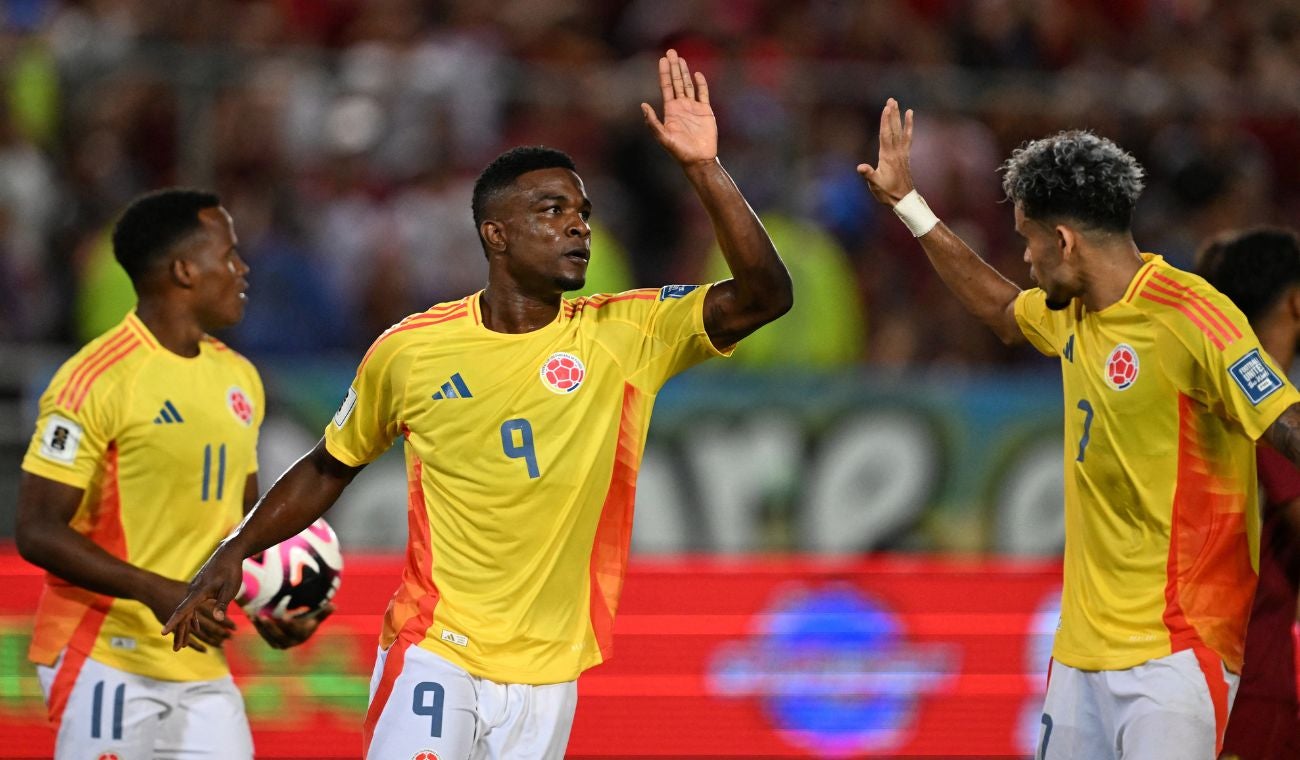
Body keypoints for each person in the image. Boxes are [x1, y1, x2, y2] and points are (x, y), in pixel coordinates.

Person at [164, 49, 792, 760]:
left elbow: (766, 296)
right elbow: (329, 465)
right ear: (496, 234)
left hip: (550, 674)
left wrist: (704, 168)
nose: (578, 226)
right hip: (438, 648)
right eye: (552, 210)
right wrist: (236, 551)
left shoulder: (627, 334)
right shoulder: (412, 350)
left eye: (582, 212)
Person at [856, 99, 1300, 759]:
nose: (1025, 259)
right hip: (1077, 662)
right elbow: (1004, 309)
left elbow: (1284, 422)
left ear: (1062, 241)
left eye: (1026, 240)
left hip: (1176, 657)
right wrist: (910, 205)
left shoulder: (1192, 316)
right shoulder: (1074, 312)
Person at [15, 188, 328, 759]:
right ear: (184, 270)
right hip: (104, 655)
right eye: (229, 254)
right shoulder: (97, 379)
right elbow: (36, 528)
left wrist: (267, 606)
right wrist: (152, 589)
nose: (243, 268)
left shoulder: (241, 378)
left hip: (198, 662)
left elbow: (239, 524)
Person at [1196, 228, 1300, 760]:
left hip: (1201, 675)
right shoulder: (1273, 414)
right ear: (1296, 302)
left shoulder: (1207, 396)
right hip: (1253, 682)